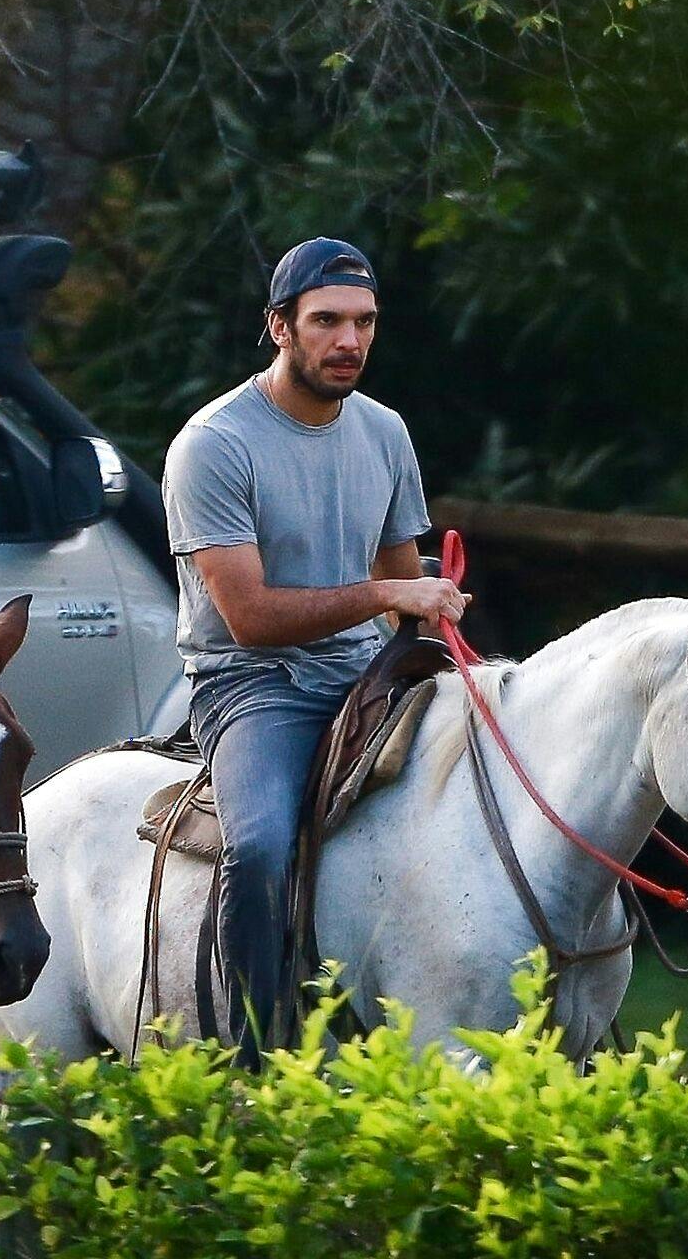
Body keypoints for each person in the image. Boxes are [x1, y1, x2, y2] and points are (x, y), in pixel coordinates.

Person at [160, 237, 467, 1067]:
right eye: (326, 321)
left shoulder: (384, 431)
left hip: (365, 674)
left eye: (364, 323)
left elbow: (404, 582)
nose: (349, 342)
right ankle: (250, 1057)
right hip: (253, 685)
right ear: (279, 328)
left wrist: (431, 619)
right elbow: (251, 618)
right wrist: (383, 597)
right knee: (258, 843)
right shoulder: (213, 444)